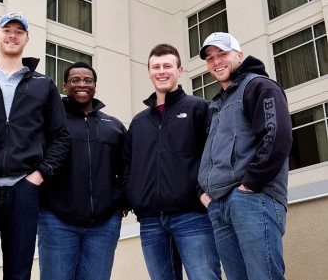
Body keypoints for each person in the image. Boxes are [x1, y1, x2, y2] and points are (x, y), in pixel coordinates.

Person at [0, 12, 70, 280]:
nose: (12, 35)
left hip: (24, 189)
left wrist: (39, 175)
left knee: (19, 272)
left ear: (27, 39)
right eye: (6, 30)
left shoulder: (43, 85)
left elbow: (61, 137)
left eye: (19, 31)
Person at [198, 32, 292, 280]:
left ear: (239, 55)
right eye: (210, 58)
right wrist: (203, 193)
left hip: (253, 200)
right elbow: (208, 154)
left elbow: (277, 135)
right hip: (219, 204)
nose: (216, 61)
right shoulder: (217, 103)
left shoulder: (260, 86)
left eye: (222, 54)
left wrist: (250, 184)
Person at [123, 44, 221, 280]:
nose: (161, 71)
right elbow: (127, 164)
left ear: (180, 70)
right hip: (150, 221)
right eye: (155, 67)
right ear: (148, 72)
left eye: (167, 66)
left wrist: (203, 194)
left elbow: (214, 155)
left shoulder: (199, 108)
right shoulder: (139, 122)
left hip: (193, 215)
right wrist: (133, 195)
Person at [38, 62, 127, 280]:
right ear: (65, 85)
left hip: (104, 225)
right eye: (75, 80)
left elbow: (126, 167)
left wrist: (123, 202)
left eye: (88, 80)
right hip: (56, 221)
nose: (82, 84)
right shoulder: (51, 122)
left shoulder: (113, 126)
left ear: (95, 86)